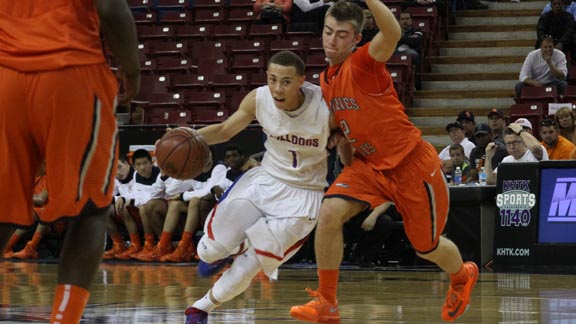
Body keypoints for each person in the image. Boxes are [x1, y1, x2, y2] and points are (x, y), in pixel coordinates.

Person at [289, 1, 478, 323]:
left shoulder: (363, 62)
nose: (331, 40)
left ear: (355, 39)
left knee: (426, 248)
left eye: (341, 35)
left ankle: (462, 275)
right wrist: (338, 137)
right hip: (369, 165)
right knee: (329, 214)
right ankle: (327, 303)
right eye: (327, 32)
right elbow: (347, 125)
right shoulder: (326, 79)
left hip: (411, 165)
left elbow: (392, 31)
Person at [0, 1, 140, 324]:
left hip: (5, 74)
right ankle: (64, 319)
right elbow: (110, 7)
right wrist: (131, 69)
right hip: (69, 69)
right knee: (90, 210)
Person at [182, 50, 343, 323]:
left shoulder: (326, 107)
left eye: (286, 81)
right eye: (272, 79)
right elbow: (224, 130)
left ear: (302, 81)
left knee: (247, 269)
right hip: (264, 181)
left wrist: (342, 141)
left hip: (302, 198)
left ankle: (200, 308)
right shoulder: (259, 98)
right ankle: (233, 247)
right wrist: (189, 137)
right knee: (208, 251)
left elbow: (350, 144)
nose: (277, 88)